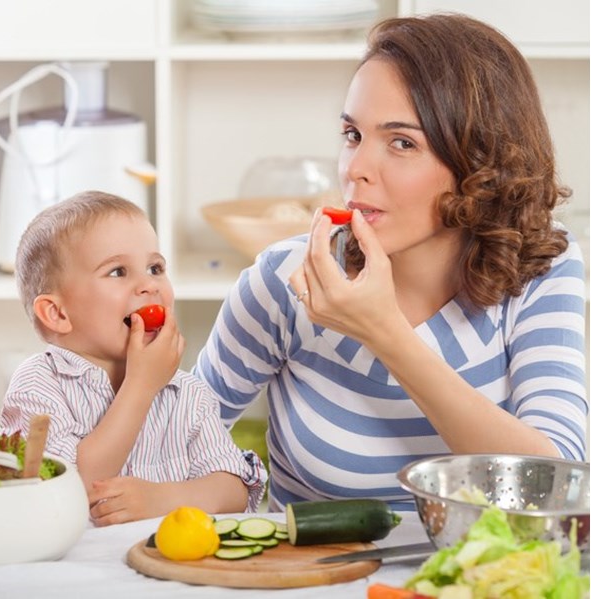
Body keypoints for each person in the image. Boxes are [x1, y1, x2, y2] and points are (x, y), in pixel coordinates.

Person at [194, 13, 587, 511]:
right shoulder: (285, 280)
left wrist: (387, 334)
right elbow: (173, 448)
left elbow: (556, 485)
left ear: (481, 164)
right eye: (352, 134)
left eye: (402, 143)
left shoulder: (541, 266)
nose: (355, 169)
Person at [0, 191, 266, 525]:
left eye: (155, 268)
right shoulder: (39, 384)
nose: (148, 285)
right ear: (57, 313)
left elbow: (233, 492)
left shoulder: (186, 392)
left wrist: (162, 499)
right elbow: (66, 490)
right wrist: (140, 386)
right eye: (117, 272)